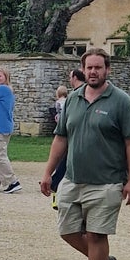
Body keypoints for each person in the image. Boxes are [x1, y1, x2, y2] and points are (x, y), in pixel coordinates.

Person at [39, 48, 130, 260]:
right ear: (83, 70)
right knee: (67, 231)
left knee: (96, 234)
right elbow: (61, 138)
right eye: (89, 68)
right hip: (73, 179)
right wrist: (48, 172)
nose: (93, 72)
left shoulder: (121, 101)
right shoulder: (72, 99)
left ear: (107, 70)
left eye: (98, 67)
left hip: (107, 181)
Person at [49, 67, 85, 210]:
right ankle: (55, 186)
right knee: (64, 162)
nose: (70, 80)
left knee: (66, 163)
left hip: (76, 138)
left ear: (75, 77)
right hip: (70, 136)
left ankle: (55, 185)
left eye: (70, 77)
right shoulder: (73, 96)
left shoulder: (80, 95)